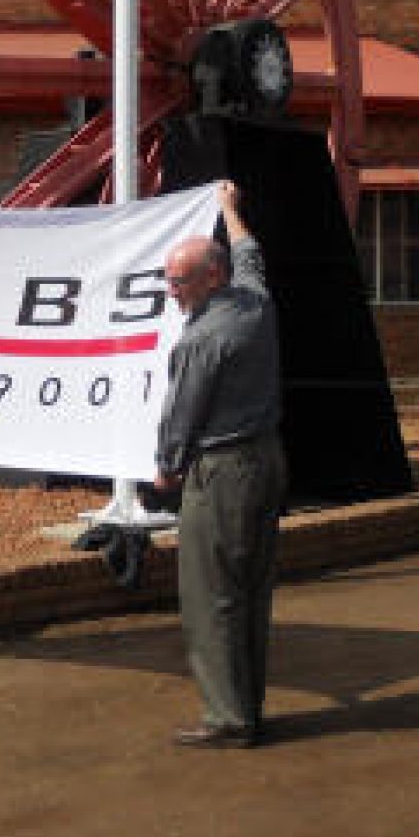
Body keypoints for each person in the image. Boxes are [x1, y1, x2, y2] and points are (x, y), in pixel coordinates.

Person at [152, 179, 288, 749]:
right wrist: (230, 209)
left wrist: (166, 469)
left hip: (223, 473)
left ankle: (230, 720)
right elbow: (251, 253)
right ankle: (247, 707)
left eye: (178, 282)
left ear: (211, 278)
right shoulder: (255, 300)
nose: (172, 293)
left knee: (213, 596)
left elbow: (181, 415)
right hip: (267, 461)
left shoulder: (201, 341)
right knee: (252, 590)